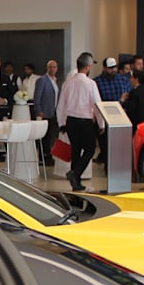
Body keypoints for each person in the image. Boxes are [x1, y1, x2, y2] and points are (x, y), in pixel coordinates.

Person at [57, 52, 104, 192]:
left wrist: (61, 123)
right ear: (88, 67)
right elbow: (97, 105)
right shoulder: (90, 84)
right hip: (85, 122)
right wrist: (101, 123)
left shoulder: (67, 83)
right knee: (90, 149)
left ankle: (76, 183)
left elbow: (61, 105)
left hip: (71, 121)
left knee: (75, 150)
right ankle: (75, 174)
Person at [93, 57, 130, 164]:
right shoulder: (96, 82)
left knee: (119, 147)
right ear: (104, 68)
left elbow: (128, 96)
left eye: (114, 67)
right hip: (104, 119)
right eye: (110, 68)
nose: (113, 70)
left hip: (121, 119)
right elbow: (98, 102)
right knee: (105, 148)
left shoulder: (123, 80)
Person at [33, 59, 59, 165]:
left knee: (51, 135)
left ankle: (48, 154)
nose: (52, 69)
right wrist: (39, 110)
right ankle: (43, 156)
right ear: (47, 68)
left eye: (54, 67)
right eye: (50, 67)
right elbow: (37, 96)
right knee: (45, 136)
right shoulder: (42, 80)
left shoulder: (55, 80)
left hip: (53, 111)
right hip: (44, 112)